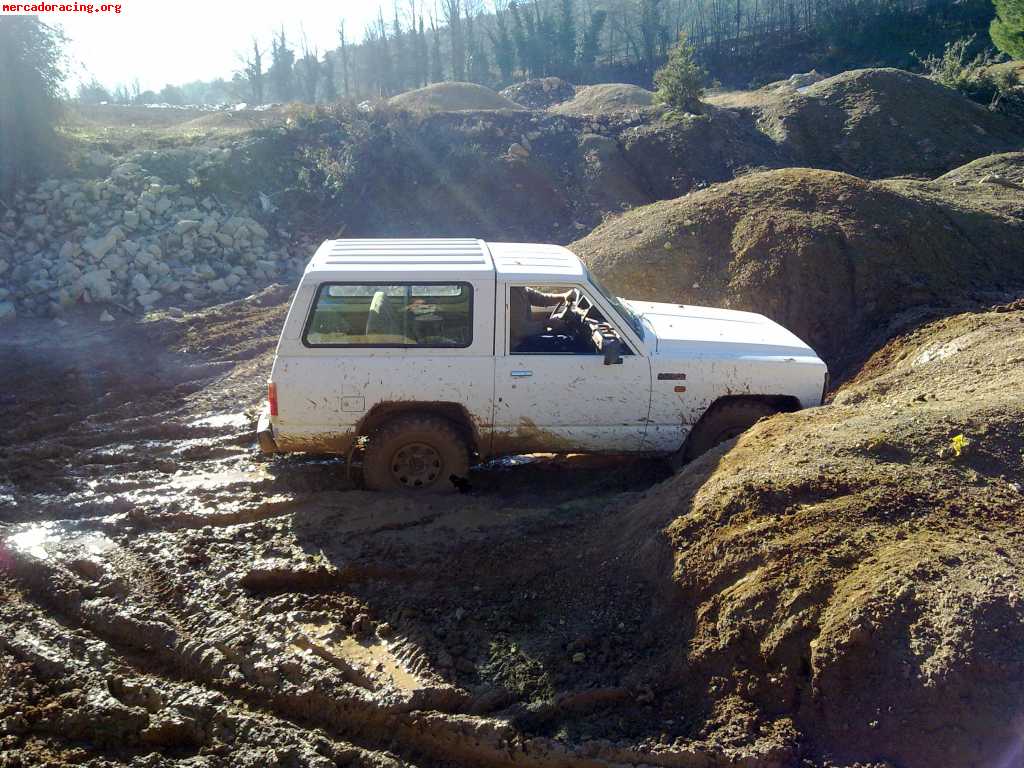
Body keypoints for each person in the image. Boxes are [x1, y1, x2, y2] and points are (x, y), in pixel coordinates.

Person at [509, 286, 570, 352]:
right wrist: (547, 323)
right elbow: (520, 330)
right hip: (517, 345)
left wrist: (563, 296)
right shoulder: (512, 293)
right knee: (565, 343)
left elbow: (541, 299)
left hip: (525, 338)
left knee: (561, 339)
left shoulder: (520, 287)